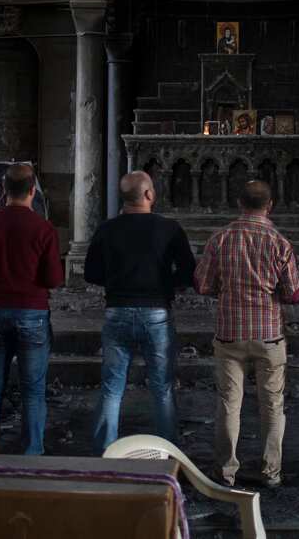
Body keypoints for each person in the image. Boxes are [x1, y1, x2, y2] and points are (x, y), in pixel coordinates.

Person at [194, 180, 299, 488]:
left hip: (230, 333)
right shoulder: (280, 242)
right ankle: (272, 471)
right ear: (270, 206)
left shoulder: (220, 239)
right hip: (269, 335)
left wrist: (223, 288)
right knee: (272, 404)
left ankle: (226, 471)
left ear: (239, 204)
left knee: (229, 402)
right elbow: (293, 293)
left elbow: (202, 284)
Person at [85, 171, 197, 452]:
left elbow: (91, 273)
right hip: (156, 314)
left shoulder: (106, 230)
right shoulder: (169, 228)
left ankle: (105, 451)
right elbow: (188, 273)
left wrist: (117, 282)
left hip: (117, 311)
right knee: (162, 388)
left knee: (112, 388)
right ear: (149, 195)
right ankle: (170, 451)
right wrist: (164, 285)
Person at [0, 163, 64, 454]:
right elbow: (53, 279)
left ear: (3, 190)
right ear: (33, 191)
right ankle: (32, 454)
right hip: (32, 313)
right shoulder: (43, 228)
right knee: (33, 391)